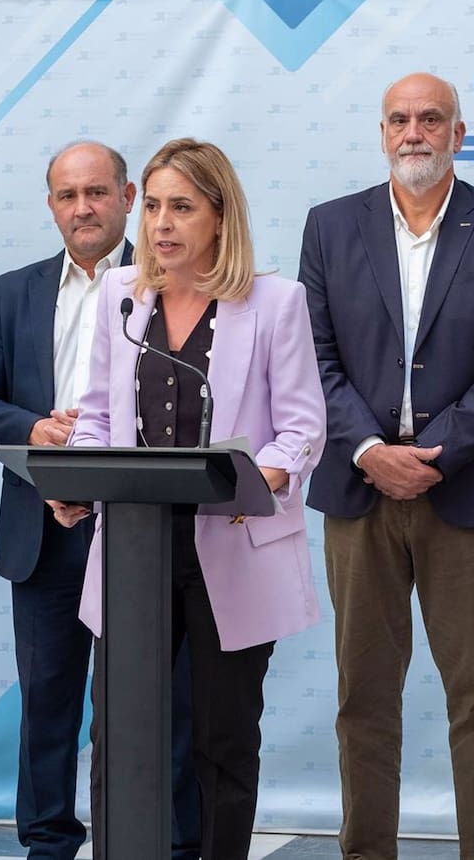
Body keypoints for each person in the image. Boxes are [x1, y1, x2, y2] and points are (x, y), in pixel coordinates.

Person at [298, 72, 474, 860]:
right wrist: (370, 450)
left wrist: (435, 452)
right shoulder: (331, 226)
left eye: (431, 119)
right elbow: (312, 354)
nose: (415, 132)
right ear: (382, 134)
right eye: (400, 119)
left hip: (468, 490)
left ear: (458, 134)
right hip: (359, 490)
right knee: (363, 698)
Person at [54, 137, 325, 860]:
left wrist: (261, 477)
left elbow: (302, 428)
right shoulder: (121, 295)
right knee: (121, 731)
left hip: (232, 539)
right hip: (135, 543)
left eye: (182, 207)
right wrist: (78, 479)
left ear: (220, 214)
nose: (162, 224)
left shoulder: (275, 302)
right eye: (152, 207)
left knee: (221, 738)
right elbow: (97, 418)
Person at [0, 141, 204, 860]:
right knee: (48, 704)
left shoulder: (174, 283)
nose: (83, 208)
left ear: (128, 199)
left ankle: (166, 843)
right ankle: (47, 844)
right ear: (51, 206)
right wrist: (35, 428)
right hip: (45, 530)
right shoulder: (14, 291)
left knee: (157, 703)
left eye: (97, 193)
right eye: (67, 195)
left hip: (144, 526)